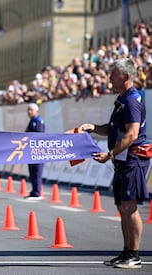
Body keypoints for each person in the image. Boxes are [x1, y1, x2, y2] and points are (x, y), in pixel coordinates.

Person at [80, 58, 149, 269]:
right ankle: (126, 251)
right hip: (122, 160)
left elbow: (131, 135)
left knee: (130, 207)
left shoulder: (131, 101)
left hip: (132, 159)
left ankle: (134, 255)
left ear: (126, 77)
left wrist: (109, 154)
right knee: (121, 206)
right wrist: (94, 128)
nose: (109, 77)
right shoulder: (121, 100)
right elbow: (112, 129)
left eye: (114, 74)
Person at [24, 103, 45, 200]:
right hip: (30, 150)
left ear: (36, 111)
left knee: (37, 171)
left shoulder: (38, 121)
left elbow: (39, 135)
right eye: (28, 110)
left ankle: (37, 192)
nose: (29, 112)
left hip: (37, 150)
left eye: (31, 110)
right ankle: (33, 191)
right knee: (32, 171)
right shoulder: (32, 121)